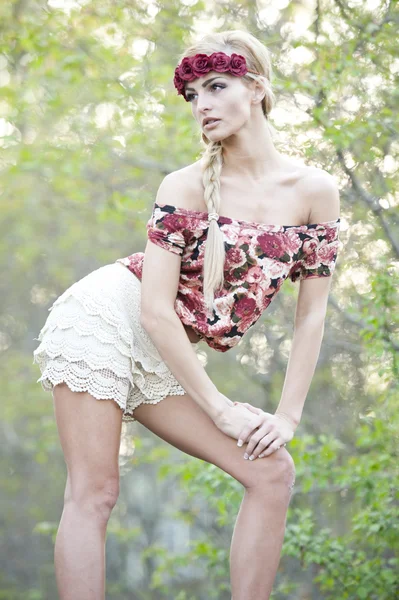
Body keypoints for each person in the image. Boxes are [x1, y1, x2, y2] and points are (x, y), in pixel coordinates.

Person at [32, 29, 341, 600]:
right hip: (104, 316)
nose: (201, 104)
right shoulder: (184, 185)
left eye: (216, 86)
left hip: (156, 343)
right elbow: (154, 311)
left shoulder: (314, 192)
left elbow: (311, 318)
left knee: (272, 471)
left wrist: (287, 417)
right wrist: (220, 408)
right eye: (192, 93)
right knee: (95, 491)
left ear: (256, 89)